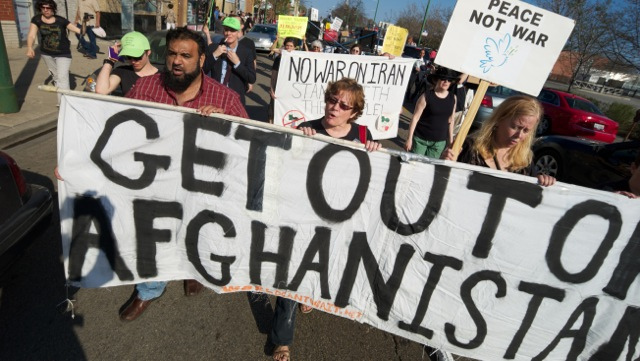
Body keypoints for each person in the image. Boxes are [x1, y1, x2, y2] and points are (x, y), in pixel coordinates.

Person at [119, 27, 248, 322]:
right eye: (173, 54)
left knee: (197, 233)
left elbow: (248, 146)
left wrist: (225, 124)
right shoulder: (146, 88)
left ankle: (193, 271)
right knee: (154, 236)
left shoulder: (225, 99)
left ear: (201, 60)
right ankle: (150, 288)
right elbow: (117, 129)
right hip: (156, 185)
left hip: (201, 188)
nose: (177, 61)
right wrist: (78, 165)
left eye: (186, 56)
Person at [271, 78, 380, 361]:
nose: (335, 107)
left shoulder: (364, 135)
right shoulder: (307, 129)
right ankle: (282, 339)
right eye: (332, 100)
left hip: (339, 223)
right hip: (302, 216)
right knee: (291, 273)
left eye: (344, 105)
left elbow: (374, 180)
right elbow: (284, 170)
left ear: (354, 113)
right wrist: (297, 143)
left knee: (320, 268)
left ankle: (308, 297)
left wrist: (376, 154)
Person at [442, 95, 556, 187]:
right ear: (499, 119)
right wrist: (445, 164)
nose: (519, 135)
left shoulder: (524, 161)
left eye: (526, 131)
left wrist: (543, 181)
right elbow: (443, 184)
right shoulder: (470, 148)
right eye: (515, 127)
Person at [26, 0, 82, 106]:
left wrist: (84, 26)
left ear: (53, 8)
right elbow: (31, 35)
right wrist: (29, 47)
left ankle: (65, 103)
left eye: (48, 8)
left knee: (62, 77)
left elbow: (78, 30)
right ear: (40, 8)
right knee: (56, 77)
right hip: (46, 53)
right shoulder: (37, 19)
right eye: (43, 8)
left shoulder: (61, 21)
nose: (46, 10)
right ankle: (61, 99)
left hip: (63, 54)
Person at [405, 67, 458, 159]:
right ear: (436, 79)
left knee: (429, 169)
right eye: (443, 78)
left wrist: (450, 141)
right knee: (415, 166)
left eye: (449, 80)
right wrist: (409, 139)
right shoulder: (426, 96)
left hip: (439, 143)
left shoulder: (453, 98)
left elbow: (451, 120)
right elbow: (415, 118)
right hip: (420, 140)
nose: (446, 81)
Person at [203, 17, 256, 105]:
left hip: (235, 99)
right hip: (215, 96)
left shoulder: (246, 52)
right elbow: (203, 70)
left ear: (238, 32)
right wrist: (214, 55)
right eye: (226, 30)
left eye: (232, 31)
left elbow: (252, 78)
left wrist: (238, 64)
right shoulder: (214, 48)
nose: (229, 33)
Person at [95, 31, 158, 96]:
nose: (133, 61)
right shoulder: (123, 71)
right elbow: (101, 91)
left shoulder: (162, 76)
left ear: (148, 52)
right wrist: (110, 61)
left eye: (137, 57)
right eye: (129, 57)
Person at [269, 37, 297, 123]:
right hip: (278, 89)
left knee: (289, 112)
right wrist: (271, 90)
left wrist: (304, 42)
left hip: (291, 91)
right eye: (287, 46)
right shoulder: (278, 59)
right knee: (273, 111)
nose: (288, 48)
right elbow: (273, 76)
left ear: (295, 48)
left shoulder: (298, 59)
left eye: (291, 46)